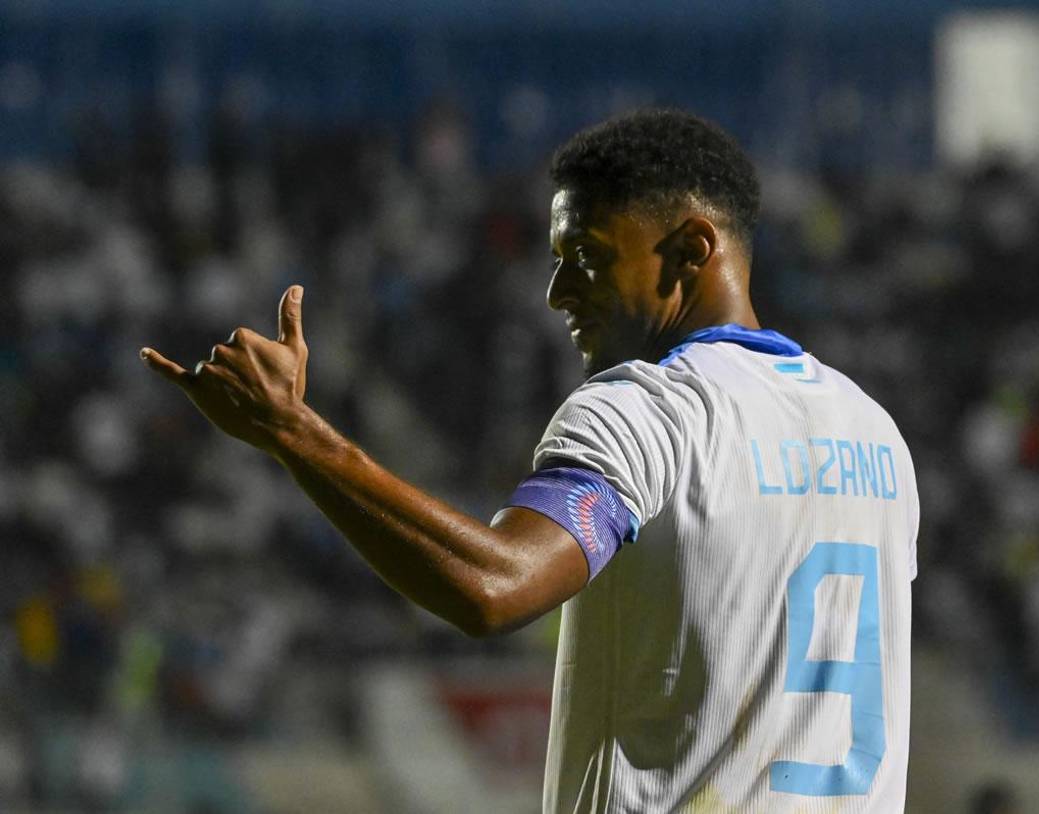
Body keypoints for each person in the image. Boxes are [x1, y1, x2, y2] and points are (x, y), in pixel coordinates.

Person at [141, 108, 919, 812]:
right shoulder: (874, 432)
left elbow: (494, 587)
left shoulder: (651, 409)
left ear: (690, 249)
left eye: (584, 254)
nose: (555, 292)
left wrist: (296, 434)